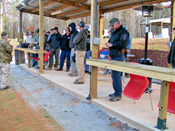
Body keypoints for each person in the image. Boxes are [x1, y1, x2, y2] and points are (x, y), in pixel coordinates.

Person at [106, 18, 129, 101]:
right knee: (113, 74)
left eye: (112, 25)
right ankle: (116, 91)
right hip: (113, 54)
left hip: (119, 55)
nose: (112, 27)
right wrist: (109, 43)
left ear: (117, 24)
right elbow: (112, 41)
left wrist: (112, 45)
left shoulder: (124, 32)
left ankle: (118, 93)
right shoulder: (114, 32)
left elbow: (123, 43)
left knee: (116, 74)